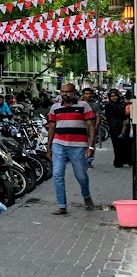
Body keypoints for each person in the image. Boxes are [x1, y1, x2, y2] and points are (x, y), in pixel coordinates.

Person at [46, 83, 97, 215]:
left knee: (81, 176)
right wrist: (49, 147)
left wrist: (91, 146)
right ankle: (61, 205)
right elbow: (51, 127)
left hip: (78, 146)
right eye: (62, 92)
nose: (65, 94)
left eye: (68, 92)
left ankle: (86, 196)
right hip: (59, 144)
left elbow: (91, 127)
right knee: (57, 175)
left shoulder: (83, 106)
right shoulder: (55, 107)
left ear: (74, 92)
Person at [103, 90, 131, 168]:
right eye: (112, 96)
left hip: (125, 127)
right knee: (117, 145)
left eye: (115, 96)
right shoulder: (109, 105)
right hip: (114, 127)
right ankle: (118, 162)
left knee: (126, 144)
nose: (114, 98)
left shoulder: (122, 103)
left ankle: (127, 160)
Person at [81, 88, 103, 168]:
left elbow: (98, 116)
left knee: (91, 144)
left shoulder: (95, 105)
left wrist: (96, 126)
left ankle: (89, 161)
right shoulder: (79, 104)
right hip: (81, 128)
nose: (88, 95)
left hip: (91, 128)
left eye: (89, 94)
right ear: (83, 94)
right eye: (86, 94)